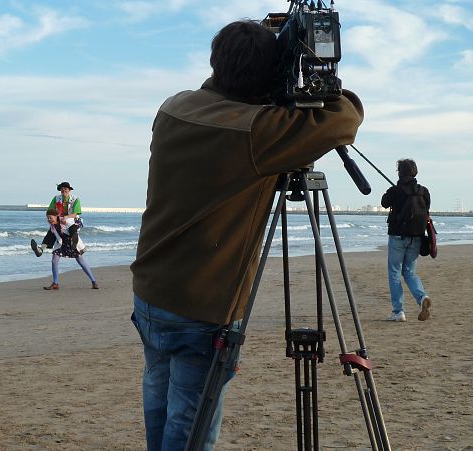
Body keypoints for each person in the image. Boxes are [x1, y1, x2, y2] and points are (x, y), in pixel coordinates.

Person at [129, 20, 364, 450]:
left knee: (159, 403)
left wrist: (265, 79)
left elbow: (227, 101)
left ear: (215, 62)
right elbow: (343, 118)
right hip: (204, 306)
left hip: (150, 292)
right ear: (267, 76)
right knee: (191, 422)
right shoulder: (255, 132)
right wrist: (313, 81)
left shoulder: (173, 108)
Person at [380, 158, 432, 322]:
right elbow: (426, 209)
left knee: (394, 273)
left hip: (397, 236)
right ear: (415, 172)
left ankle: (398, 312)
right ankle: (422, 297)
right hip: (416, 237)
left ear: (400, 173)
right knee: (409, 272)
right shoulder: (423, 191)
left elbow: (384, 202)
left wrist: (393, 191)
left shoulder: (396, 190)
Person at [40, 209, 98, 290]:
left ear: (56, 216)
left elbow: (74, 226)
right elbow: (48, 238)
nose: (49, 220)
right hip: (61, 244)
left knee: (81, 262)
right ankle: (55, 283)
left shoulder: (64, 220)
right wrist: (41, 248)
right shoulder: (52, 227)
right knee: (54, 261)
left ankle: (94, 282)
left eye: (50, 217)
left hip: (72, 242)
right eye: (48, 218)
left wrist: (74, 238)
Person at [31, 181, 83, 257]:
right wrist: (50, 219)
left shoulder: (75, 199)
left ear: (69, 190)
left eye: (65, 189)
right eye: (62, 189)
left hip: (73, 219)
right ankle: (41, 249)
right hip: (60, 219)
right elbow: (50, 211)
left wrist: (66, 217)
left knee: (72, 228)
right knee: (51, 231)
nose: (63, 190)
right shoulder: (56, 198)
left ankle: (73, 243)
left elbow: (75, 213)